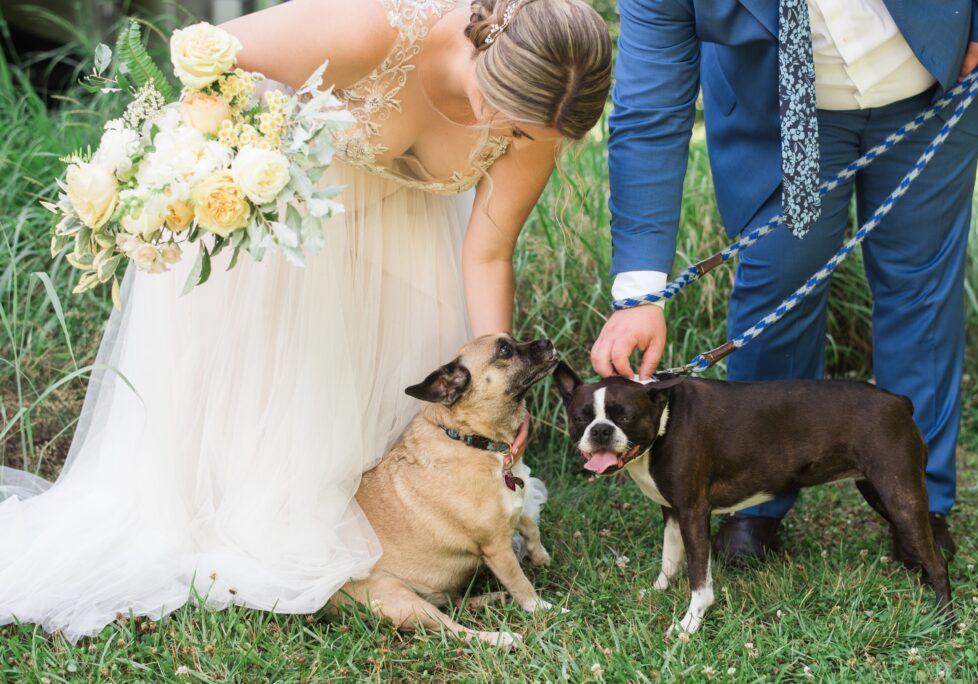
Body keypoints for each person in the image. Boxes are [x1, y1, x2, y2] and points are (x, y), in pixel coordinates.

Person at [0, 0, 611, 641]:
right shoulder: (383, 27)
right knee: (267, 433)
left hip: (401, 261)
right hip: (277, 243)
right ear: (487, 51)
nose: (502, 133)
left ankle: (393, 535)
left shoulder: (537, 119)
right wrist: (237, 157)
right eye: (501, 112)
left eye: (519, 134)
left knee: (390, 432)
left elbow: (487, 252)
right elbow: (208, 48)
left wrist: (501, 395)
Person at [594, 0, 978, 563]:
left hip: (931, 84)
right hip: (779, 113)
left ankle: (920, 503)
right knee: (777, 287)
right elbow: (649, 108)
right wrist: (640, 295)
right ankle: (757, 501)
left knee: (920, 292)